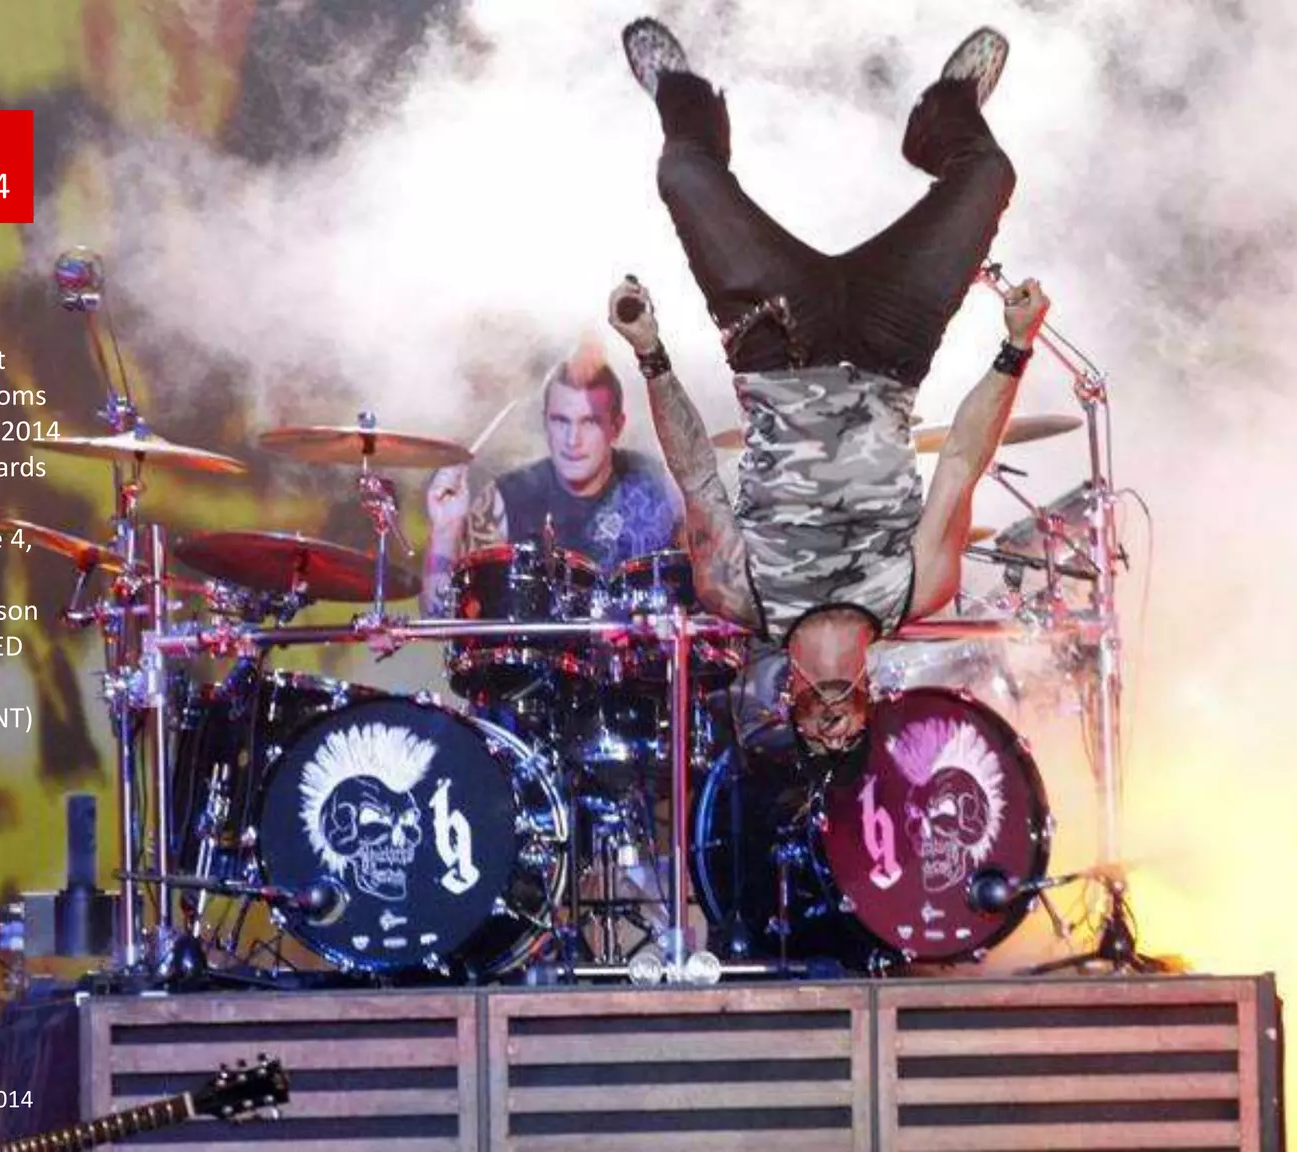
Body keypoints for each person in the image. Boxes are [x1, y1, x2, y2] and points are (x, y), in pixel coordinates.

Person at [608, 19, 1050, 757]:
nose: (835, 730)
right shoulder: (919, 587)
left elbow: (694, 473)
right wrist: (1016, 348)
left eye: (819, 738)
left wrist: (652, 355)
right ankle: (945, 115)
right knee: (990, 177)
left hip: (774, 342)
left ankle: (687, 102)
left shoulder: (737, 592)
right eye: (850, 738)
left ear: (790, 703)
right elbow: (963, 462)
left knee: (682, 174)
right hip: (892, 347)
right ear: (875, 702)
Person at [423, 344, 683, 612]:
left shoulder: (658, 483)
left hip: (640, 652)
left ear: (616, 427)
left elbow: (706, 595)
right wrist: (446, 530)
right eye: (561, 421)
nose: (572, 440)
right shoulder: (505, 498)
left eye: (589, 422)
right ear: (545, 422)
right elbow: (439, 615)